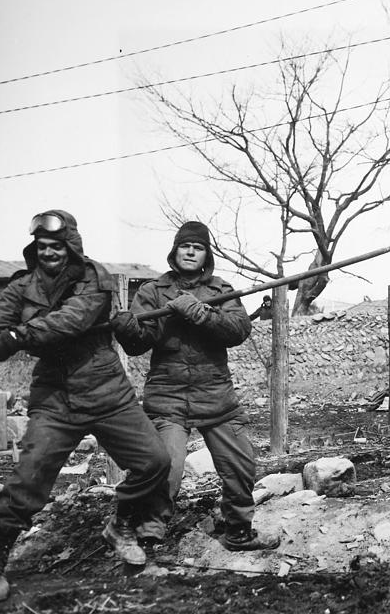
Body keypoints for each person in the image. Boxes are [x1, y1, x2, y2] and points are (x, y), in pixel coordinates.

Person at [0, 210, 170, 601]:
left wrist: (19, 335)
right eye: (43, 246)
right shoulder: (21, 285)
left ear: (70, 246)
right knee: (27, 481)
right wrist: (0, 340)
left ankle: (121, 524)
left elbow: (72, 320)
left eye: (56, 246)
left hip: (105, 389)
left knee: (154, 460)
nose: (49, 253)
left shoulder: (93, 278)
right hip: (54, 398)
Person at [110, 221, 277, 551]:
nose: (190, 252)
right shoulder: (153, 291)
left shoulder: (221, 290)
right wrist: (127, 330)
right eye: (184, 246)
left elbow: (238, 330)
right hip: (168, 398)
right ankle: (149, 533)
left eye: (197, 248)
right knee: (165, 467)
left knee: (240, 464)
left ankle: (238, 531)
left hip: (216, 398)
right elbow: (138, 344)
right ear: (174, 252)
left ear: (206, 256)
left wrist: (201, 314)